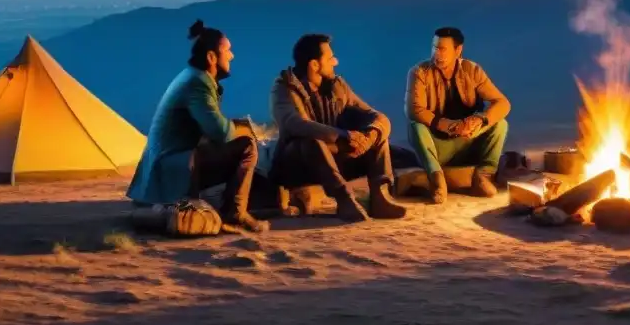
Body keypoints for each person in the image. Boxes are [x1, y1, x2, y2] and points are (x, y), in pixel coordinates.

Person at [126, 20, 267, 232]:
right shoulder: (197, 84)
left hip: (170, 163)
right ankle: (235, 212)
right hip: (173, 166)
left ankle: (227, 208)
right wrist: (243, 128)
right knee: (246, 145)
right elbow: (219, 131)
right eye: (227, 50)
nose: (232, 56)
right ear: (211, 57)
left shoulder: (193, 77)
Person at [270, 34, 407, 223]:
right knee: (311, 143)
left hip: (336, 155)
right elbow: (295, 124)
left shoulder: (336, 86)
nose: (335, 62)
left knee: (377, 134)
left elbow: (374, 115)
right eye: (329, 58)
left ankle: (380, 196)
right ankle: (344, 199)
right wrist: (343, 136)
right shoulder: (285, 89)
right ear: (314, 65)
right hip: (298, 164)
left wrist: (369, 135)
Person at [405, 27, 510, 204]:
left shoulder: (472, 70)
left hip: (468, 140)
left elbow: (502, 103)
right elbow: (414, 109)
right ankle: (437, 179)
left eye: (442, 49)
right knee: (415, 126)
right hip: (438, 145)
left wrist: (479, 119)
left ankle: (483, 176)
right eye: (434, 47)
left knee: (501, 124)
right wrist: (450, 125)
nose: (436, 53)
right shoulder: (419, 72)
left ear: (458, 50)